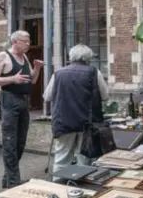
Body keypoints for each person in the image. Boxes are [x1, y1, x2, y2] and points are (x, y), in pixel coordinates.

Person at [43, 44, 109, 179]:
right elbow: (105, 96)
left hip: (63, 122)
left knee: (62, 158)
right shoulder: (94, 72)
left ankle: (58, 186)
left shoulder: (58, 73)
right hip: (87, 124)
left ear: (71, 57)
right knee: (84, 158)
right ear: (88, 58)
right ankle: (80, 188)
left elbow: (47, 96)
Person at [0, 30, 44, 189]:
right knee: (9, 142)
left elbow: (32, 81)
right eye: (25, 41)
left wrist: (37, 68)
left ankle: (8, 179)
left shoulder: (25, 57)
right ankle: (13, 182)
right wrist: (13, 79)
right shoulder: (4, 56)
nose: (28, 44)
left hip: (23, 102)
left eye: (28, 41)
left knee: (20, 142)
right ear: (15, 42)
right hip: (9, 100)